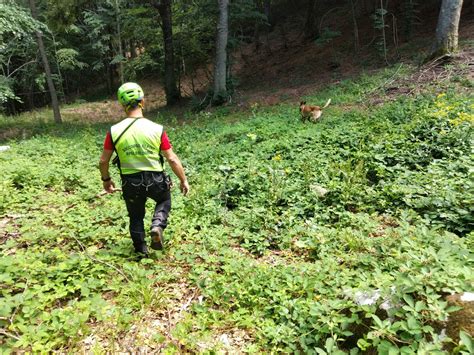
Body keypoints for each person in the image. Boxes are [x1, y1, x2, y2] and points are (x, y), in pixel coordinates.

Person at [98, 82, 189, 257]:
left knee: (136, 216)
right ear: (142, 101)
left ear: (122, 104)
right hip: (155, 179)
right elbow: (171, 158)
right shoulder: (157, 129)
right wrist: (183, 180)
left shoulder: (114, 131)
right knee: (164, 201)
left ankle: (141, 250)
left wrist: (106, 180)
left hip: (130, 182)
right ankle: (157, 225)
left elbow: (103, 161)